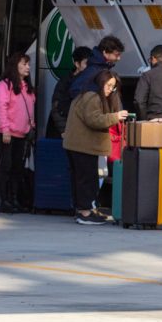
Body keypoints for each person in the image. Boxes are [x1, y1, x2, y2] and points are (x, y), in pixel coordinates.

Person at [63, 69, 127, 225]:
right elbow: (94, 119)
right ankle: (84, 213)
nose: (110, 89)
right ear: (101, 82)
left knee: (84, 178)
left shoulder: (86, 94)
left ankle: (86, 210)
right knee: (86, 179)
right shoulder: (92, 97)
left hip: (79, 145)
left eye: (113, 86)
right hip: (83, 146)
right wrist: (116, 116)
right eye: (109, 85)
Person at [0, 52, 36, 214]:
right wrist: (5, 129)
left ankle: (14, 199)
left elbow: (29, 109)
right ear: (15, 65)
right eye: (24, 64)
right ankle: (5, 201)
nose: (27, 67)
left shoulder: (26, 87)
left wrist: (32, 126)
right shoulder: (5, 85)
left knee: (17, 168)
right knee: (6, 168)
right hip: (7, 134)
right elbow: (1, 107)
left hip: (22, 134)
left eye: (28, 65)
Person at [46, 46, 91, 138]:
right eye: (86, 63)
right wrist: (63, 130)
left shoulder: (91, 81)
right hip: (62, 131)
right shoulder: (65, 82)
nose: (89, 67)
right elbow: (56, 106)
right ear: (77, 64)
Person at [69, 35, 125, 100]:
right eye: (116, 55)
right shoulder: (94, 69)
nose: (119, 58)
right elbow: (75, 90)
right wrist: (99, 93)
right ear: (105, 52)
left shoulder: (100, 67)